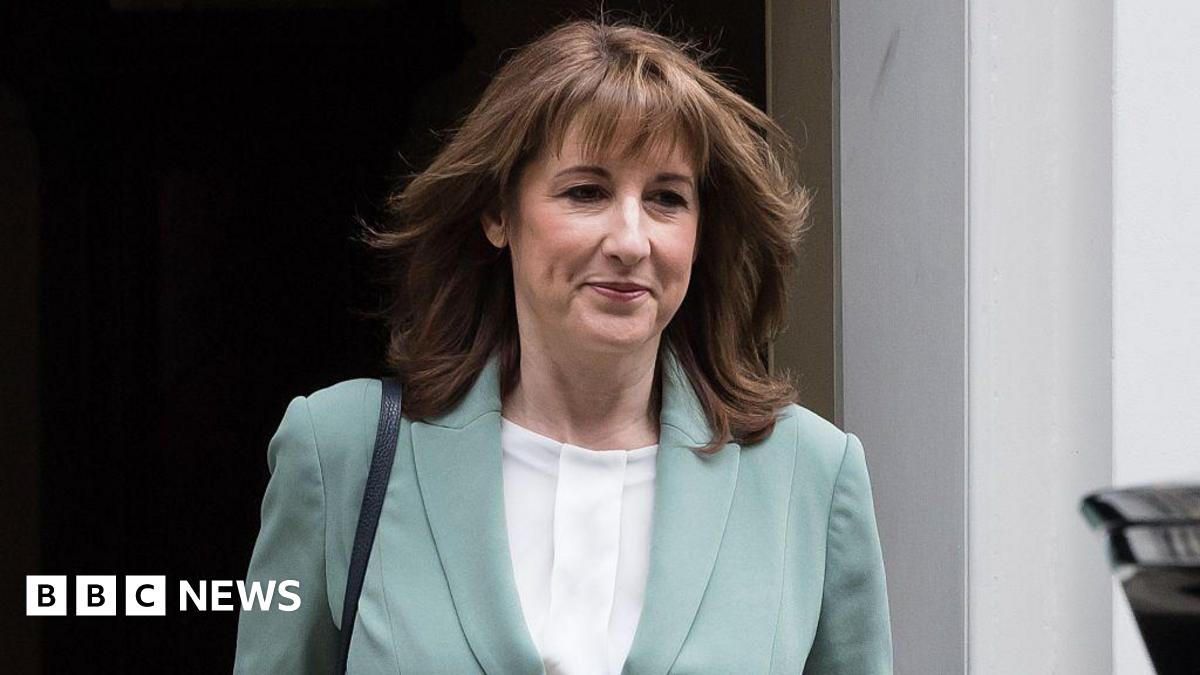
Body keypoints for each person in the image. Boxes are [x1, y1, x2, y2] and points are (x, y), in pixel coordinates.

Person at [233, 16, 892, 675]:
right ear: (498, 213)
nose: (632, 240)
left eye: (666, 197)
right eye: (587, 191)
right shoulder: (339, 451)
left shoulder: (810, 475)